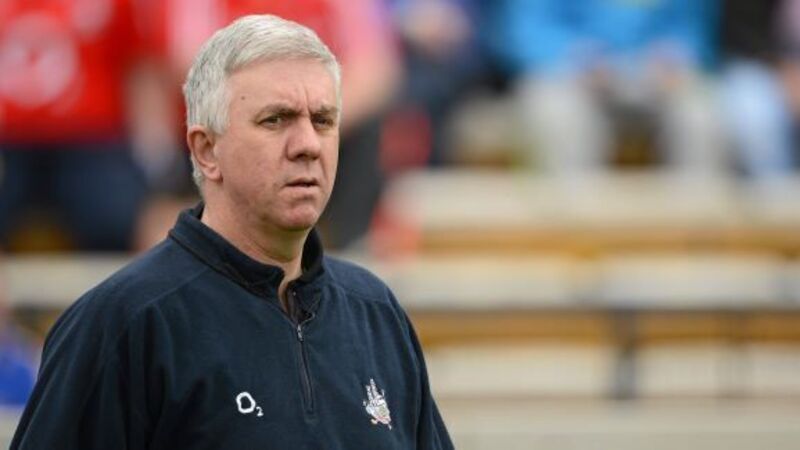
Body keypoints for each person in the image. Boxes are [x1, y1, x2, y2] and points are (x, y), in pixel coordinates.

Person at [11, 14, 453, 450]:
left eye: (322, 120)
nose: (307, 145)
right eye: (275, 120)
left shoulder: (375, 312)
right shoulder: (124, 323)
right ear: (206, 151)